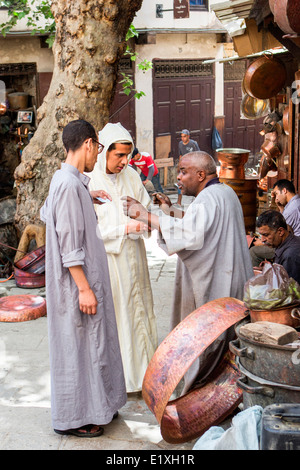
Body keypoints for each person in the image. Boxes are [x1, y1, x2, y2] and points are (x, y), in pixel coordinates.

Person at [122, 151, 253, 394]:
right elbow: (198, 226)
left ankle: (203, 393)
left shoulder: (208, 199)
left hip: (218, 283)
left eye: (183, 171)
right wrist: (170, 210)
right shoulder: (223, 192)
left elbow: (190, 236)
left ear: (201, 174)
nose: (179, 177)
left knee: (208, 342)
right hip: (232, 277)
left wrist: (145, 215)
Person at [40, 120, 126, 437]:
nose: (98, 155)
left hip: (82, 281)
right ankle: (75, 417)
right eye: (99, 148)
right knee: (81, 348)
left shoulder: (70, 182)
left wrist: (86, 197)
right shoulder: (67, 185)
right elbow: (69, 245)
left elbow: (47, 212)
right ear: (88, 144)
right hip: (76, 284)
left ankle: (99, 406)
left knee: (95, 346)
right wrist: (84, 289)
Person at [88, 123, 158, 393]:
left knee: (140, 312)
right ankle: (122, 381)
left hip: (135, 258)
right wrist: (123, 228)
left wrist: (144, 219)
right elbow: (89, 231)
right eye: (118, 155)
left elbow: (144, 209)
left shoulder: (131, 175)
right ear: (104, 151)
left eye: (127, 155)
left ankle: (145, 377)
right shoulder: (91, 181)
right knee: (119, 319)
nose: (124, 161)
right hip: (110, 263)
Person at [249, 179, 300, 267]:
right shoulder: (294, 204)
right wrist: (280, 207)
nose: (276, 198)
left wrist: (262, 243)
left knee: (254, 251)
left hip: (292, 244)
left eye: (276, 194)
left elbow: (281, 229)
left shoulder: (292, 209)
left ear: (284, 191)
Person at [256, 209, 300, 284]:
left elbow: (288, 290)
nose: (262, 239)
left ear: (280, 232)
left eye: (266, 235)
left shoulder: (290, 255)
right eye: (261, 235)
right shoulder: (288, 243)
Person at [176, 129, 200, 205]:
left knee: (194, 183)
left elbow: (198, 154)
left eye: (185, 136)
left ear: (188, 136)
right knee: (180, 183)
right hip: (184, 166)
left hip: (192, 166)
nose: (183, 138)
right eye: (182, 137)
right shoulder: (180, 144)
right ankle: (179, 202)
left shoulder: (193, 144)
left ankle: (195, 200)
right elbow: (180, 155)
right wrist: (179, 165)